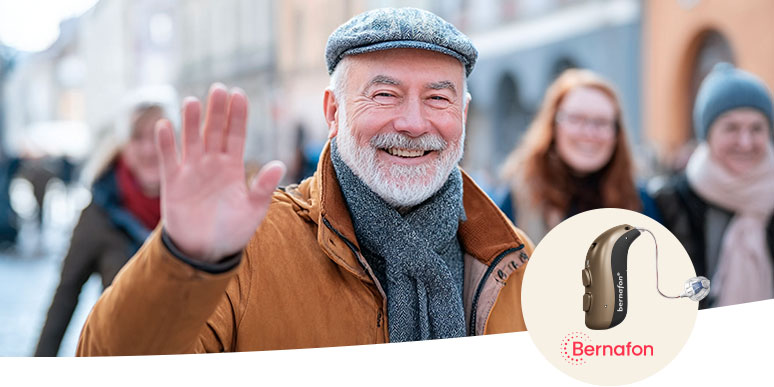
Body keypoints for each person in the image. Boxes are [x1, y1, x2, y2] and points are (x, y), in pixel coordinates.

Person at [77, 8, 533, 356]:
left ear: (464, 115)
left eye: (438, 98)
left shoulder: (515, 261)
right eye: (384, 95)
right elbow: (111, 368)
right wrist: (183, 262)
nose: (413, 123)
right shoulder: (251, 248)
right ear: (333, 112)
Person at [35, 86, 177, 356]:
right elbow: (65, 296)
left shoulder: (197, 207)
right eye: (137, 137)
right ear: (123, 144)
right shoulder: (99, 213)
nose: (149, 149)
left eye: (159, 137)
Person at [653, 63, 774, 309]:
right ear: (707, 135)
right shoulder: (670, 202)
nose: (745, 141)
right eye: (731, 128)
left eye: (756, 128)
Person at [499, 69, 661, 243]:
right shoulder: (519, 199)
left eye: (601, 122)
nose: (589, 132)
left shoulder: (638, 200)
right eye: (576, 119)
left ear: (616, 133)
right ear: (553, 126)